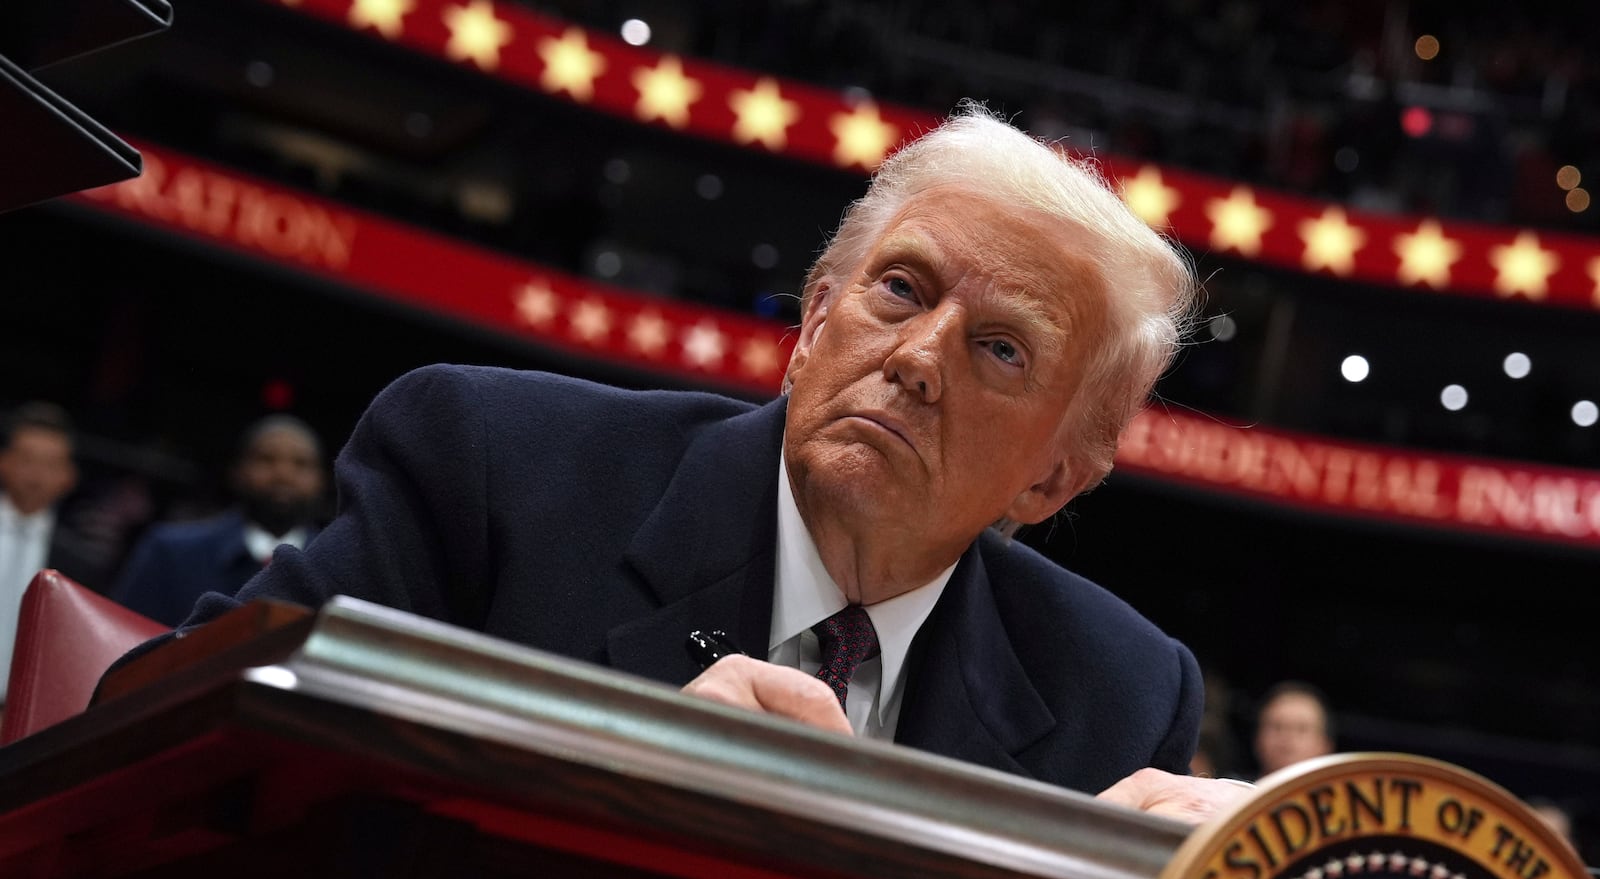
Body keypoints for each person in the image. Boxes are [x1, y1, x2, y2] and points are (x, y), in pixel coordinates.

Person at [120, 105, 1248, 822]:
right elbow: (147, 732)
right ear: (813, 327)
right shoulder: (490, 466)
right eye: (900, 290)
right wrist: (605, 758)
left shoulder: (1120, 692)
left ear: (1056, 476)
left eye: (1001, 349)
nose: (915, 359)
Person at [110, 415, 326, 626]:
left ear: (322, 480)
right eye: (266, 459)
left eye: (301, 464)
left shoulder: (337, 569)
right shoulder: (170, 553)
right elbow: (123, 639)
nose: (283, 474)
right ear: (237, 472)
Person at [0, 402, 99, 701]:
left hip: (24, 713)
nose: (36, 475)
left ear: (68, 476)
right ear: (4, 461)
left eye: (50, 464)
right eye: (26, 460)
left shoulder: (82, 563)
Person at [1251, 680, 1335, 778]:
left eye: (1301, 729)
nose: (1287, 737)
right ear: (1258, 738)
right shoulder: (1235, 792)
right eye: (1277, 727)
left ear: (1325, 744)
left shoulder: (1344, 793)